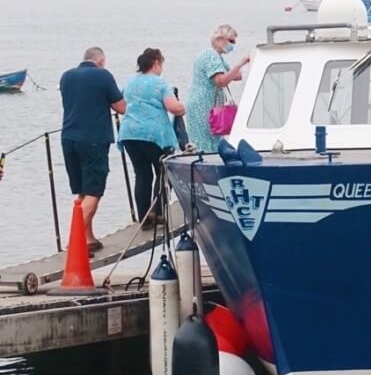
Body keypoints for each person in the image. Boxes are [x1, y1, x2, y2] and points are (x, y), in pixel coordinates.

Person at [60, 46, 126, 253]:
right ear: (101, 61)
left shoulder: (66, 77)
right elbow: (121, 107)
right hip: (93, 140)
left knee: (82, 191)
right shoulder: (103, 75)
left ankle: (88, 238)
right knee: (94, 191)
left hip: (68, 138)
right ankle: (75, 242)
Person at [119, 48, 186, 227]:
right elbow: (173, 107)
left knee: (142, 174)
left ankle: (144, 218)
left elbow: (122, 105)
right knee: (163, 172)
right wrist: (183, 107)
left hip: (129, 133)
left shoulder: (130, 82)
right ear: (156, 63)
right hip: (154, 135)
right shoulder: (159, 83)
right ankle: (158, 212)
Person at [185, 25, 250, 153]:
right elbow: (221, 81)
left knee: (212, 140)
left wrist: (251, 69)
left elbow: (233, 75)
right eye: (231, 41)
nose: (233, 45)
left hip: (208, 106)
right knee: (205, 142)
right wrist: (241, 63)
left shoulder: (216, 57)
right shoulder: (210, 56)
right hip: (203, 106)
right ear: (220, 39)